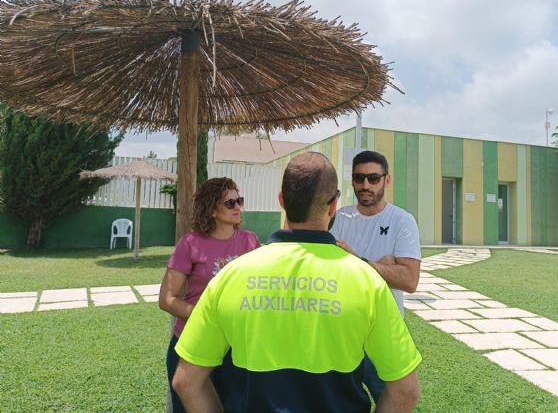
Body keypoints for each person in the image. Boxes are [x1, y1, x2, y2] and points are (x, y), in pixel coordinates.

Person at [172, 152, 421, 413]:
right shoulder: (367, 282)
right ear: (333, 205)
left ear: (282, 200)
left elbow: (186, 382)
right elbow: (406, 391)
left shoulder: (230, 276)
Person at [159, 177, 260, 413]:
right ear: (212, 209)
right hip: (192, 341)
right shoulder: (190, 244)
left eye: (239, 201)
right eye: (230, 203)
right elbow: (167, 298)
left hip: (235, 344)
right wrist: (206, 316)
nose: (238, 207)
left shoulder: (250, 241)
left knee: (236, 406)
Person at [330, 149, 421, 401]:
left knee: (396, 397)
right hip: (343, 329)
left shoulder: (402, 220)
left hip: (383, 330)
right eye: (359, 178)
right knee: (339, 402)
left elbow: (409, 280)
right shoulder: (338, 218)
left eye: (373, 178)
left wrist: (357, 261)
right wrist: (381, 268)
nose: (365, 185)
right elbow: (330, 273)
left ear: (386, 180)